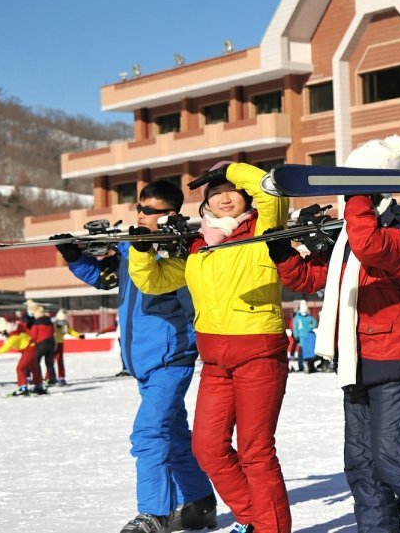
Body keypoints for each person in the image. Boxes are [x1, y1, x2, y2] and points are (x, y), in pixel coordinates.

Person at [272, 136, 400, 533]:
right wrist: (284, 254)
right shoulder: (348, 233)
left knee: (392, 455)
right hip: (353, 356)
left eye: (353, 186)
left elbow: (373, 248)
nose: (347, 196)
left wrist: (356, 197)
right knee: (360, 462)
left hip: (394, 355)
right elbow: (312, 278)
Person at [131, 161, 292, 533]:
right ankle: (253, 519)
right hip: (216, 361)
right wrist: (142, 252)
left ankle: (272, 528)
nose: (224, 197)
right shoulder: (198, 246)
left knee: (255, 452)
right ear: (205, 203)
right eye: (215, 192)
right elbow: (155, 282)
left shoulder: (265, 230)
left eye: (231, 190)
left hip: (258, 353)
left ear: (245, 195)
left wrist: (231, 169)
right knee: (207, 448)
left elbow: (272, 195)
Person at [56, 179, 216, 533]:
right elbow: (106, 278)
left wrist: (194, 345)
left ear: (170, 214)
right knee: (172, 435)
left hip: (171, 358)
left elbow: (195, 307)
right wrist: (75, 257)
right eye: (139, 209)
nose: (140, 216)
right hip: (141, 360)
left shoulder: (181, 252)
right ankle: (201, 501)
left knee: (148, 432)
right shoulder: (133, 249)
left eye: (149, 211)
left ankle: (154, 513)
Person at [0, 316, 43, 395]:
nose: (2, 334)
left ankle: (23, 388)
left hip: (29, 350)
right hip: (32, 348)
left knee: (20, 368)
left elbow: (6, 347)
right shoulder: (18, 332)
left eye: (2, 332)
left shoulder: (13, 337)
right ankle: (38, 386)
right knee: (34, 368)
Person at [48, 309, 84, 386]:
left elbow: (69, 331)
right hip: (52, 343)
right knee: (50, 361)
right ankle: (49, 377)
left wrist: (78, 335)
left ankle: (61, 377)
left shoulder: (65, 323)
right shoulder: (52, 322)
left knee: (59, 360)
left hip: (60, 343)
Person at [290, 301, 317, 373]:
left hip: (306, 338)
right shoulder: (301, 317)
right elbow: (295, 328)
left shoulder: (302, 317)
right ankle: (303, 366)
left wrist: (296, 336)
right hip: (305, 338)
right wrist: (296, 336)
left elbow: (314, 323)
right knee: (303, 353)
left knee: (306, 353)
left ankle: (307, 366)